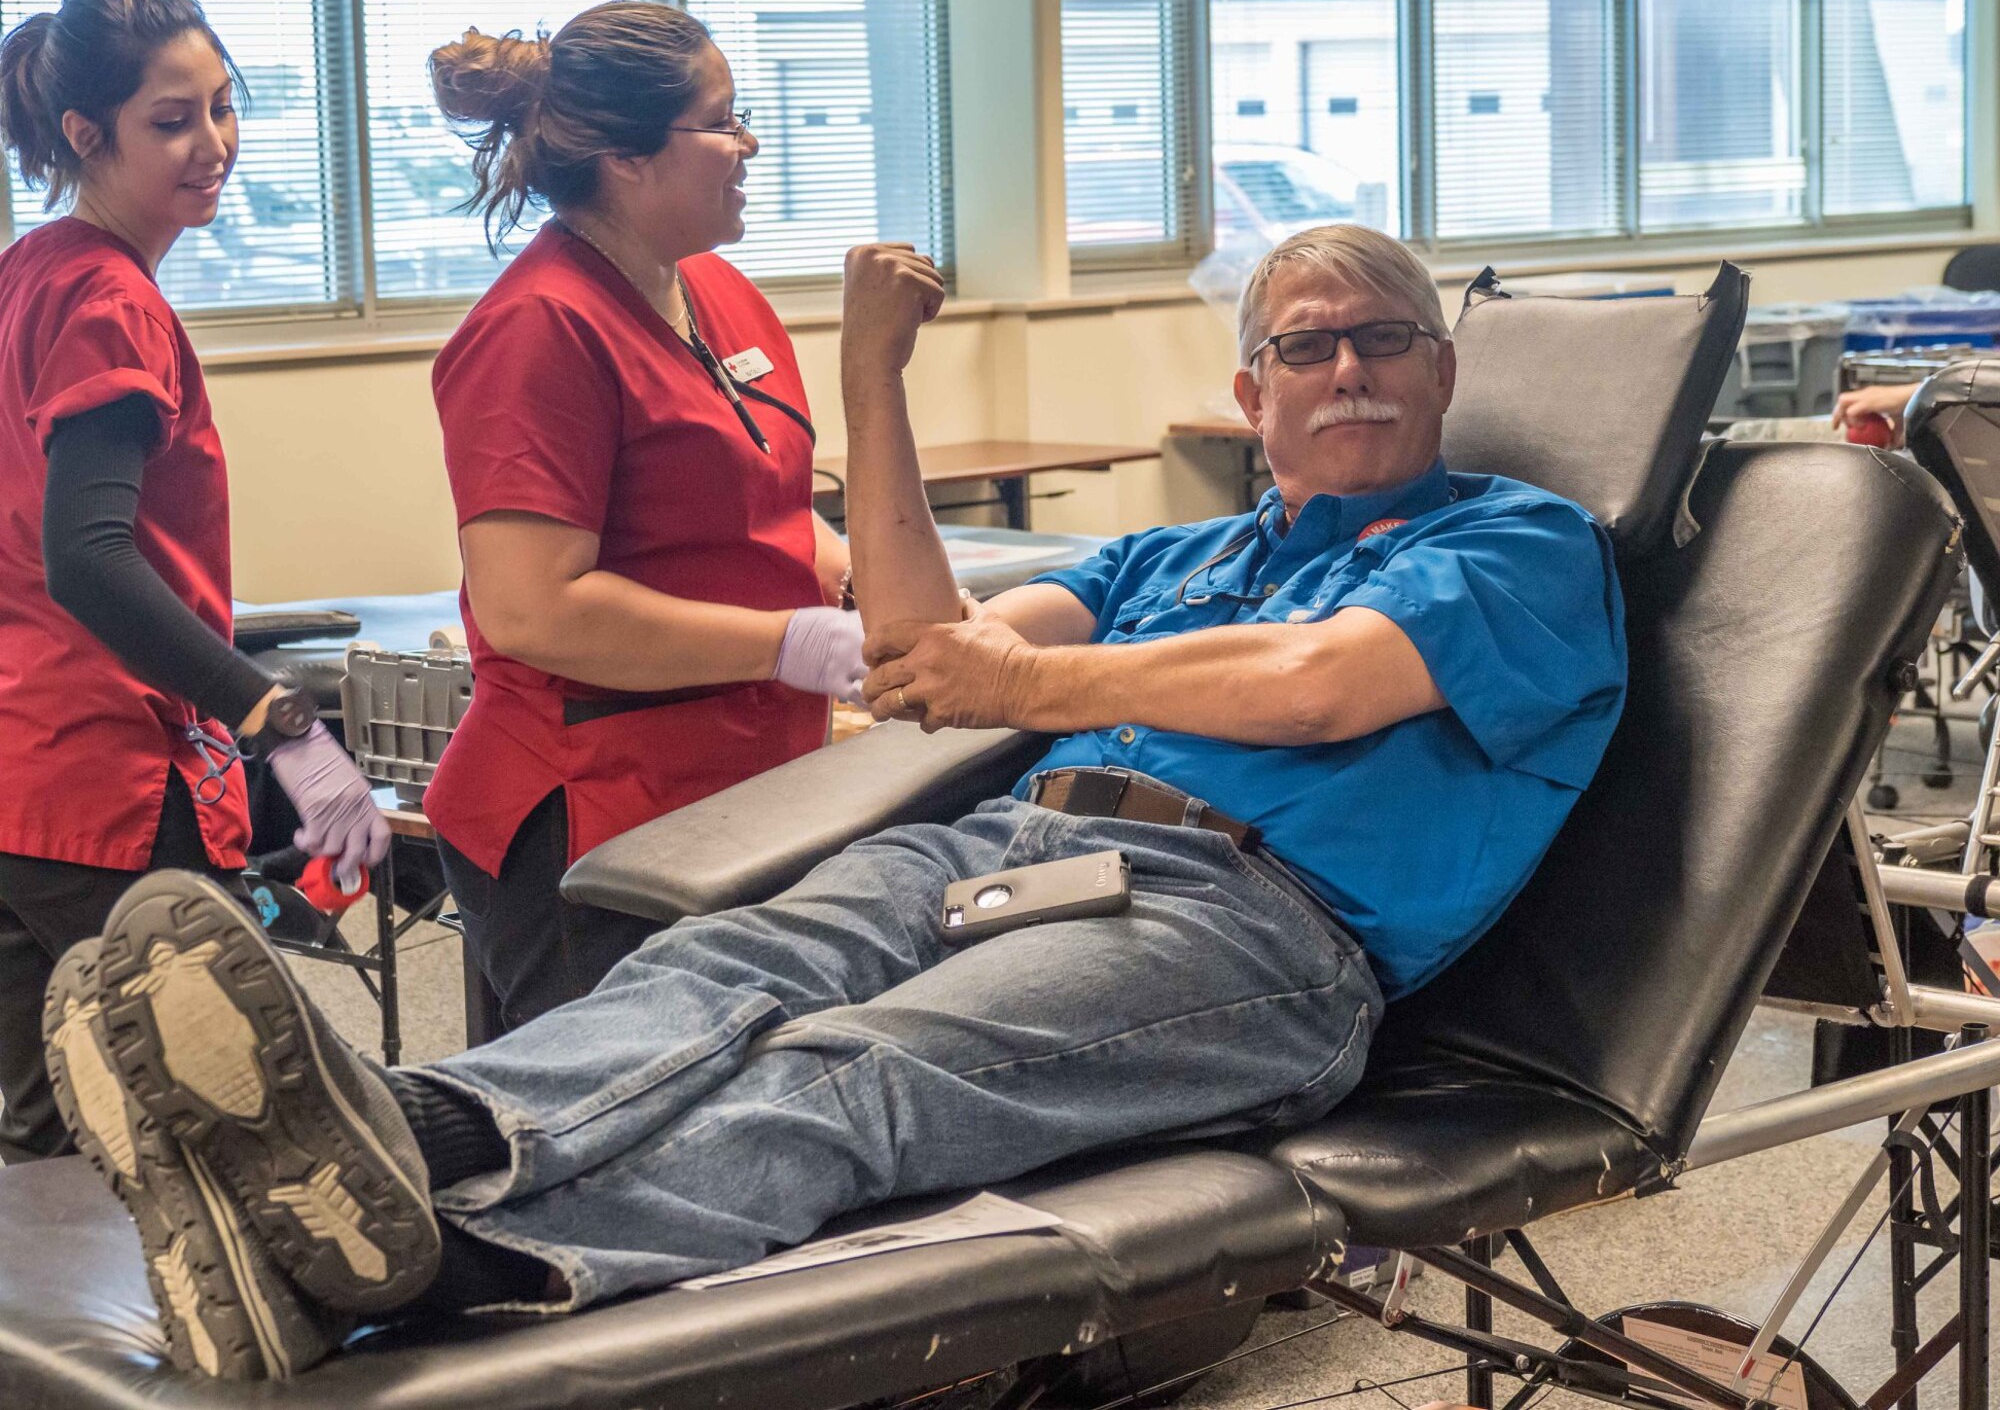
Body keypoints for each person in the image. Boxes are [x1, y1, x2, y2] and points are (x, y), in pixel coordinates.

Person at [44, 223, 1628, 1381]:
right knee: (719, 973)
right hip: (1024, 844)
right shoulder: (1181, 556)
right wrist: (874, 379)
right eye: (1307, 346)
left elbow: (1319, 686)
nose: (1346, 369)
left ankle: (449, 1263)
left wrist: (1031, 689)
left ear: (1444, 368)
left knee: (854, 1072)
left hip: (1260, 928)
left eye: (1384, 340)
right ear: (1251, 391)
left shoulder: (1520, 542)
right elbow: (928, 652)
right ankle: (371, 1142)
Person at [0, 0, 386, 1166]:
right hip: (101, 777)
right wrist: (278, 721)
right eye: (172, 121)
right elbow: (91, 561)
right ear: (85, 135)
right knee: (234, 1124)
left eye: (224, 107)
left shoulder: (35, 270)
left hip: (22, 775)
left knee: (51, 1127)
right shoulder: (107, 299)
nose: (212, 144)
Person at [421, 3, 868, 1029]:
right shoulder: (537, 331)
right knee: (625, 1119)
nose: (748, 142)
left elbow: (763, 500)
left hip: (745, 787)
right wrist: (791, 642)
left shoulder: (715, 291)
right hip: (595, 815)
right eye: (721, 121)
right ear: (625, 157)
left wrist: (862, 583)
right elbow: (539, 610)